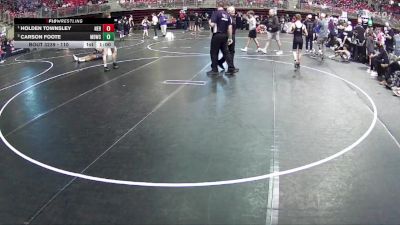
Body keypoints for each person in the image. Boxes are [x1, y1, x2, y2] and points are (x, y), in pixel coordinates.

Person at [207, 2, 237, 76]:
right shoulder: (227, 15)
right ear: (224, 6)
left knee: (214, 52)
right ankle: (231, 68)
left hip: (217, 35)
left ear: (217, 6)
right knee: (226, 52)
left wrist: (209, 21)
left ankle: (214, 69)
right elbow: (230, 28)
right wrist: (230, 38)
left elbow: (212, 24)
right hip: (225, 36)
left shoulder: (215, 13)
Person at [218, 6, 239, 73]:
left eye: (234, 10)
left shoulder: (232, 17)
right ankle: (230, 68)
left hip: (232, 35)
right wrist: (229, 38)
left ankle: (222, 63)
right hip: (229, 36)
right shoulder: (227, 18)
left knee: (229, 52)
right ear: (228, 11)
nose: (234, 12)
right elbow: (227, 28)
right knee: (230, 52)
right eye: (232, 10)